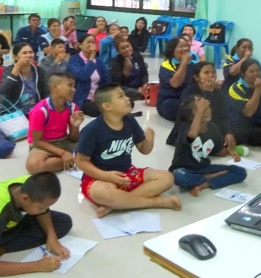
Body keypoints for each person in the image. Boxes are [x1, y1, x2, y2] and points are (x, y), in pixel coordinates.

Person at [75, 83, 182, 218]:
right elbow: (81, 162)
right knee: (103, 192)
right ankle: (155, 202)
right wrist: (106, 176)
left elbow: (144, 150)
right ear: (107, 106)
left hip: (126, 173)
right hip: (99, 177)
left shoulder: (130, 120)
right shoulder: (92, 130)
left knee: (167, 177)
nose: (127, 99)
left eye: (125, 95)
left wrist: (150, 139)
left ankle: (117, 204)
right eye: (121, 96)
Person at [170, 96, 246, 197]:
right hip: (183, 169)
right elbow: (192, 135)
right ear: (192, 117)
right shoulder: (185, 127)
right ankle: (210, 177)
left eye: (207, 108)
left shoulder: (213, 128)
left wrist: (230, 152)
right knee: (178, 177)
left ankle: (203, 184)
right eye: (200, 109)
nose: (205, 111)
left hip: (204, 167)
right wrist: (200, 110)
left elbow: (219, 151)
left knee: (240, 172)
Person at [26, 73, 85, 174]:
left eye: (73, 86)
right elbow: (37, 142)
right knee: (34, 165)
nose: (74, 89)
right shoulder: (40, 111)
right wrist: (63, 153)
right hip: (44, 144)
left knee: (95, 149)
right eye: (70, 85)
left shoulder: (72, 107)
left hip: (64, 141)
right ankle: (75, 160)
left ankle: (70, 159)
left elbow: (74, 139)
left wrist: (75, 127)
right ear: (55, 87)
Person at [166, 61, 231, 146]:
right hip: (189, 131)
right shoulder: (188, 92)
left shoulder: (219, 93)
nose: (211, 75)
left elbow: (224, 116)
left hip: (209, 127)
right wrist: (208, 93)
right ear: (197, 78)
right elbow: (197, 116)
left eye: (213, 72)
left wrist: (229, 133)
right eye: (206, 73)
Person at [0, 43, 50, 115]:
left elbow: (47, 92)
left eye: (31, 52)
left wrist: (44, 108)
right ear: (15, 57)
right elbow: (3, 91)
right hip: (13, 112)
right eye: (24, 53)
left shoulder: (40, 71)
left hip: (36, 111)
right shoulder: (8, 70)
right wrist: (17, 68)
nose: (28, 55)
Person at [67, 34, 107, 118]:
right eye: (88, 42)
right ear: (80, 45)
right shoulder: (74, 60)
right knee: (98, 110)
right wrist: (91, 58)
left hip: (98, 96)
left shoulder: (98, 61)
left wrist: (99, 94)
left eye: (93, 42)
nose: (91, 44)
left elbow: (106, 79)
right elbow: (83, 75)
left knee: (126, 102)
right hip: (82, 98)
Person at [157, 37, 193, 121]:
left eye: (186, 46)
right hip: (170, 100)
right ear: (172, 50)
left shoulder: (193, 64)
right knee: (178, 107)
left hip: (189, 98)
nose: (184, 48)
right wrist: (184, 62)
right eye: (180, 46)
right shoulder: (166, 65)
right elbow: (176, 83)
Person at [110, 36, 148, 101]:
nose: (127, 49)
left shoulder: (137, 56)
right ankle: (139, 94)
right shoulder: (116, 61)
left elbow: (144, 74)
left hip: (138, 87)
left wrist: (144, 84)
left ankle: (141, 93)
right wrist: (127, 68)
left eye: (128, 46)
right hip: (125, 88)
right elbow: (118, 82)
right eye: (123, 48)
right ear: (118, 51)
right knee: (130, 92)